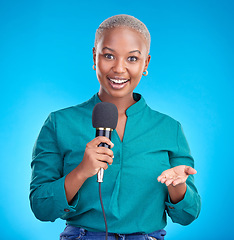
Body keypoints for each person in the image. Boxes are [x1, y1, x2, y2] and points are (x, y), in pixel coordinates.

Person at [30, 14, 201, 240]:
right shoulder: (59, 123)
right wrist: (81, 171)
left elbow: (189, 214)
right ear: (94, 57)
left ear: (145, 63)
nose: (119, 69)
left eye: (132, 59)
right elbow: (41, 208)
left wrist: (178, 186)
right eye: (109, 55)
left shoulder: (170, 129)